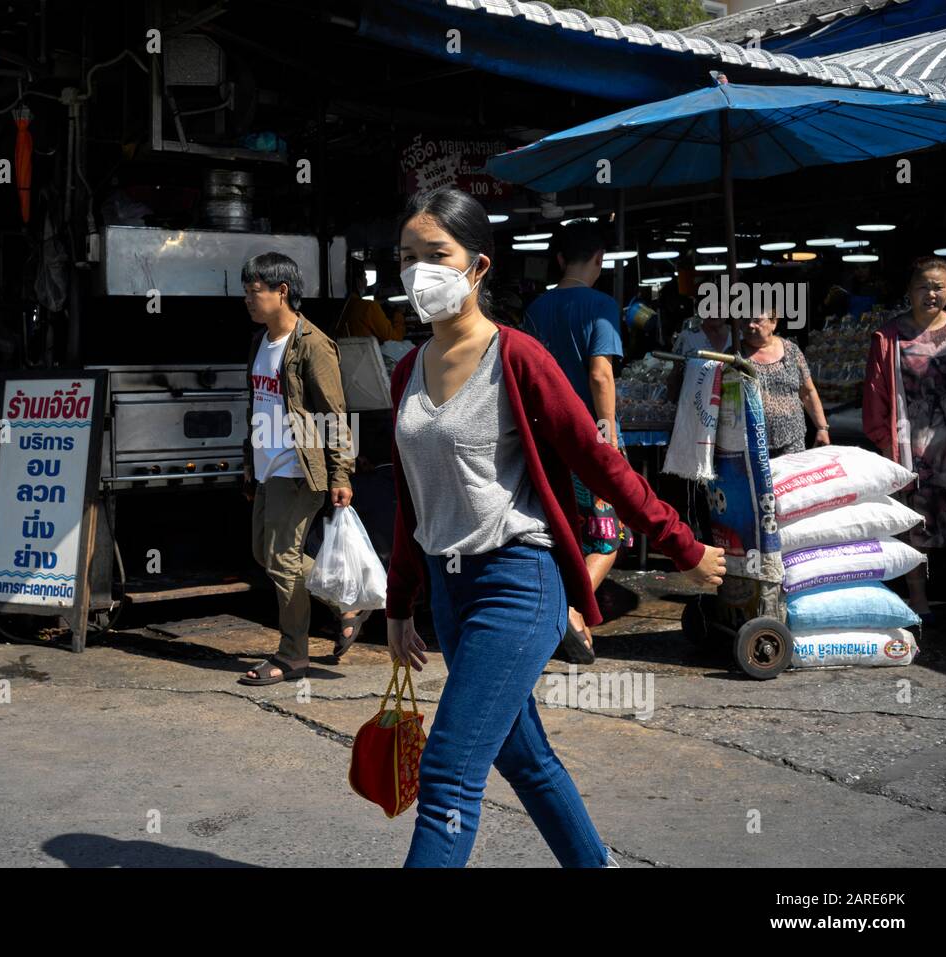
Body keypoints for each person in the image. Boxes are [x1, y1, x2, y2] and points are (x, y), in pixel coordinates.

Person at [386, 187, 725, 868]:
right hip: (452, 594)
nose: (420, 271)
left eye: (436, 255)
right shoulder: (406, 369)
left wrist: (680, 545)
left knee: (450, 770)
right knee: (523, 753)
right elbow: (410, 496)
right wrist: (401, 603)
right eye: (407, 257)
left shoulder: (518, 357)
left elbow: (600, 463)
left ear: (478, 267)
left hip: (518, 582)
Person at [238, 252, 360, 686]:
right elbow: (257, 406)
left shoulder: (312, 344)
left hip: (300, 468)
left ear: (282, 292)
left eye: (255, 292)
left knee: (284, 560)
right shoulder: (260, 342)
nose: (249, 301)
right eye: (247, 293)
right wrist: (250, 465)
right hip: (269, 468)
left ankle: (293, 654)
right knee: (265, 553)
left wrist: (341, 473)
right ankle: (346, 601)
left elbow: (334, 412)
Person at [521, 219, 629, 663]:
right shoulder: (601, 306)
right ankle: (569, 607)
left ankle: (565, 617)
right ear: (599, 261)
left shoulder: (535, 310)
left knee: (562, 530)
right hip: (586, 440)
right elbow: (600, 372)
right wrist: (609, 435)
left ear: (560, 259)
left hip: (544, 440)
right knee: (609, 537)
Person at [863, 256, 946, 624]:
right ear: (909, 290)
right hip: (910, 449)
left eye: (938, 286)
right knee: (913, 525)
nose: (931, 293)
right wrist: (885, 445)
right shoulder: (889, 337)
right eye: (923, 286)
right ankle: (919, 600)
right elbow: (874, 394)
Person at [739, 308, 830, 457]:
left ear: (773, 322)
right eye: (745, 320)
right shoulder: (735, 355)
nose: (750, 325)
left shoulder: (791, 351)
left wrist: (822, 428)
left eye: (757, 320)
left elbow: (808, 392)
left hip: (793, 442)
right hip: (752, 446)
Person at [335, 259, 405, 342]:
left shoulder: (337, 307)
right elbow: (395, 339)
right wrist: (399, 314)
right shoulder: (368, 307)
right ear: (358, 281)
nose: (366, 281)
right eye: (364, 276)